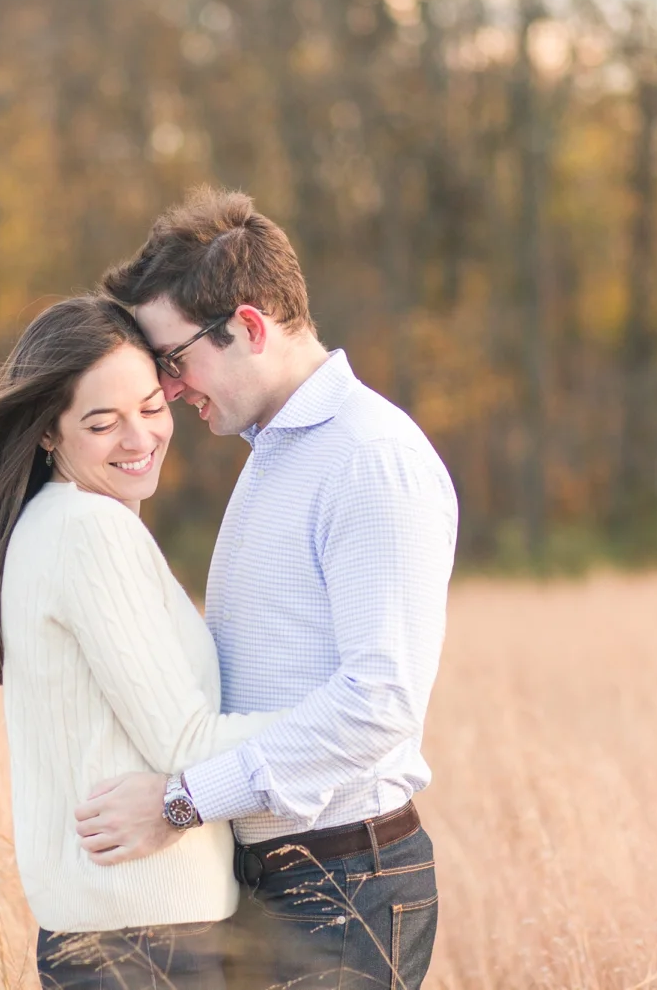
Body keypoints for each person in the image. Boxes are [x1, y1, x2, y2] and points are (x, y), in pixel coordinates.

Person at [74, 189, 459, 989]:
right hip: (284, 876)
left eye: (173, 360)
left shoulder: (370, 459)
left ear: (248, 326)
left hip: (345, 882)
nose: (170, 388)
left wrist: (181, 801)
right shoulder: (276, 454)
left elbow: (381, 701)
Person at [0, 295, 281, 989]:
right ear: (49, 434)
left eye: (151, 406)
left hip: (120, 936)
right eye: (102, 422)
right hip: (146, 943)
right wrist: (339, 728)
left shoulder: (55, 523)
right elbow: (183, 740)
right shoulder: (89, 531)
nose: (139, 437)